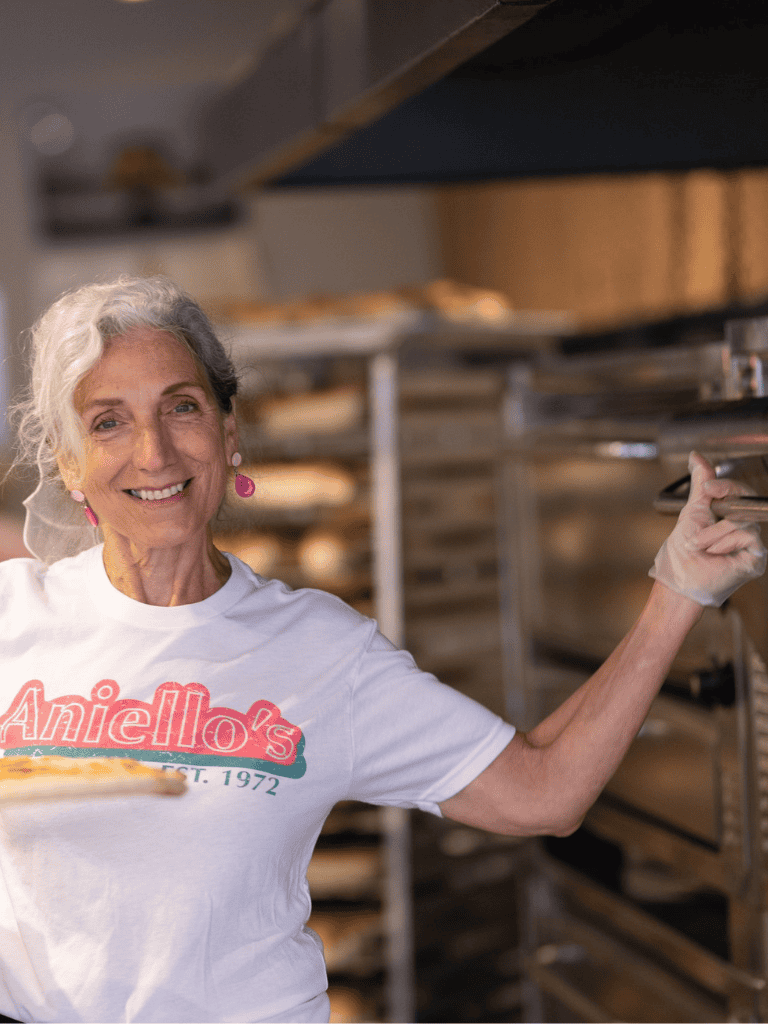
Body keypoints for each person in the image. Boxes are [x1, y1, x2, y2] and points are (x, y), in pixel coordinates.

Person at [0, 275, 763, 1024]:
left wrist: (678, 590)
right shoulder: (12, 617)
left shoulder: (319, 652)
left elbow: (544, 794)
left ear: (229, 439)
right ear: (70, 467)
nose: (155, 451)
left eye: (182, 408)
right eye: (108, 422)